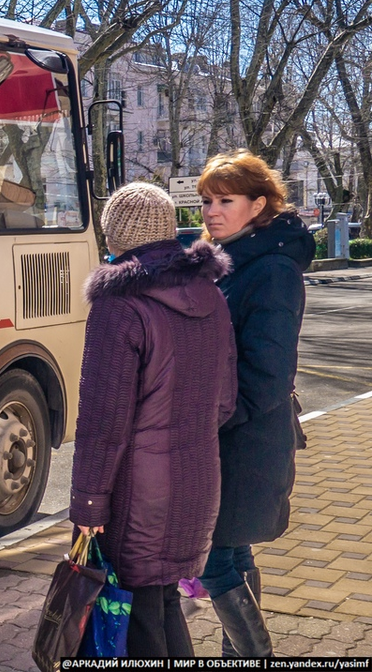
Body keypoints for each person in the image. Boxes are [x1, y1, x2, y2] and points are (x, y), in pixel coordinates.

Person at [70, 182, 236, 658]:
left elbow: (103, 423)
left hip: (135, 495)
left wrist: (87, 503)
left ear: (113, 235)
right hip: (197, 483)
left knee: (137, 614)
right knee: (159, 601)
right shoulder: (211, 295)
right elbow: (224, 402)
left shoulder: (118, 304)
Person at [196, 151, 314, 657]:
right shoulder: (227, 259)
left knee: (212, 557)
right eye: (206, 201)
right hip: (231, 433)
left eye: (226, 200)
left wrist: (212, 419)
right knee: (232, 548)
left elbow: (268, 371)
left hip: (245, 437)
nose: (211, 211)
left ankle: (254, 656)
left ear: (258, 204)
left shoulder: (271, 270)